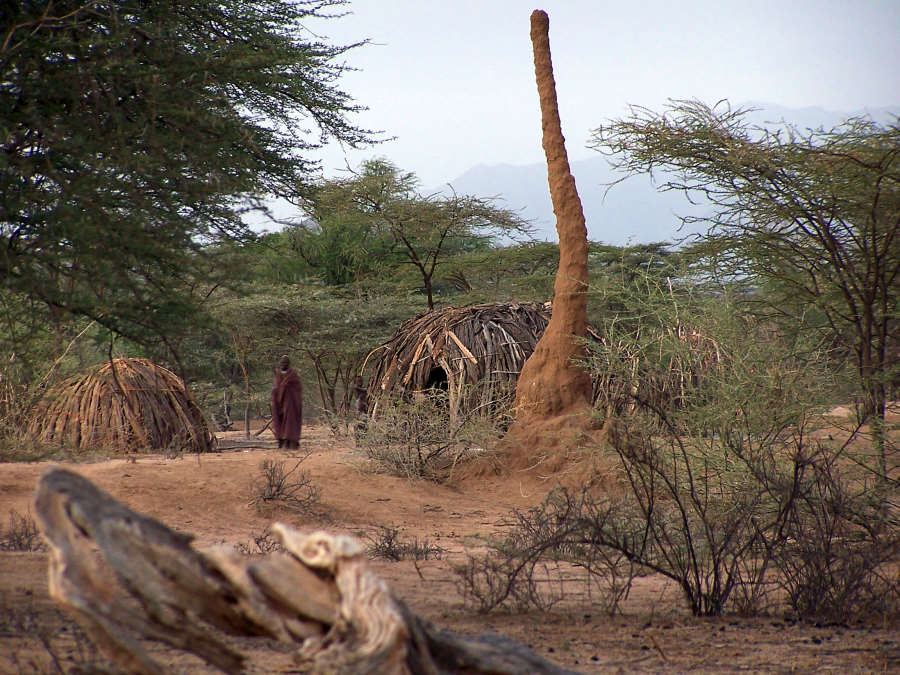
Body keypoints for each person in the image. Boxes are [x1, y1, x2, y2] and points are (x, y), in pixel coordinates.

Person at [271, 355, 302, 449]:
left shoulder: (292, 374)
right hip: (279, 402)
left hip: (290, 402)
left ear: (289, 364)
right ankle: (281, 441)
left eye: (286, 363)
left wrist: (286, 387)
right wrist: (276, 391)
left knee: (290, 422)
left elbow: (298, 388)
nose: (284, 364)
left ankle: (291, 442)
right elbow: (276, 386)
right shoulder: (278, 374)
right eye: (282, 363)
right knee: (279, 421)